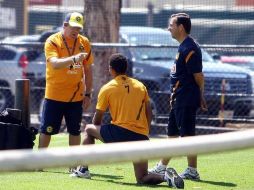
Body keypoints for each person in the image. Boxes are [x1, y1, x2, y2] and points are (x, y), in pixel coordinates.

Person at [70, 53, 184, 189]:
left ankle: (83, 170)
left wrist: (102, 139)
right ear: (126, 68)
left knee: (89, 129)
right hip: (141, 137)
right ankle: (166, 177)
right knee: (142, 178)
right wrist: (145, 132)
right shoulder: (140, 86)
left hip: (119, 134)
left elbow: (97, 119)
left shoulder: (107, 88)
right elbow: (149, 112)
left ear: (111, 69)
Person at [149, 13, 207, 180]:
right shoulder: (183, 46)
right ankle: (163, 167)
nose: (169, 28)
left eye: (171, 25)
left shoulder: (190, 48)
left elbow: (198, 75)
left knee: (187, 135)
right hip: (179, 97)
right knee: (172, 133)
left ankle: (191, 170)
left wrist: (200, 95)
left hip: (186, 97)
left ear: (181, 27)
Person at [38, 12, 94, 169]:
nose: (76, 31)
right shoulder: (53, 41)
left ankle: (73, 164)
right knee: (47, 129)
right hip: (54, 94)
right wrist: (75, 58)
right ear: (65, 25)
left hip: (76, 96)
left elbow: (88, 70)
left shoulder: (84, 42)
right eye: (73, 27)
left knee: (75, 131)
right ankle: (39, 162)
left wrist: (88, 93)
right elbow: (55, 63)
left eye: (79, 28)